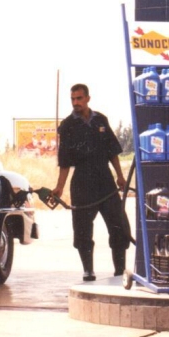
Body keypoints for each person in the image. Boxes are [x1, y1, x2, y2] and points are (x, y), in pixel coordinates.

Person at [52, 83, 131, 281]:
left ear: (88, 98)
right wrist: (59, 187)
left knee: (119, 226)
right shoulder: (67, 125)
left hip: (105, 181)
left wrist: (120, 176)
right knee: (82, 230)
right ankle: (88, 270)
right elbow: (64, 162)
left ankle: (119, 270)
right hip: (82, 183)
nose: (75, 103)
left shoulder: (100, 120)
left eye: (79, 98)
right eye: (73, 99)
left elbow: (112, 151)